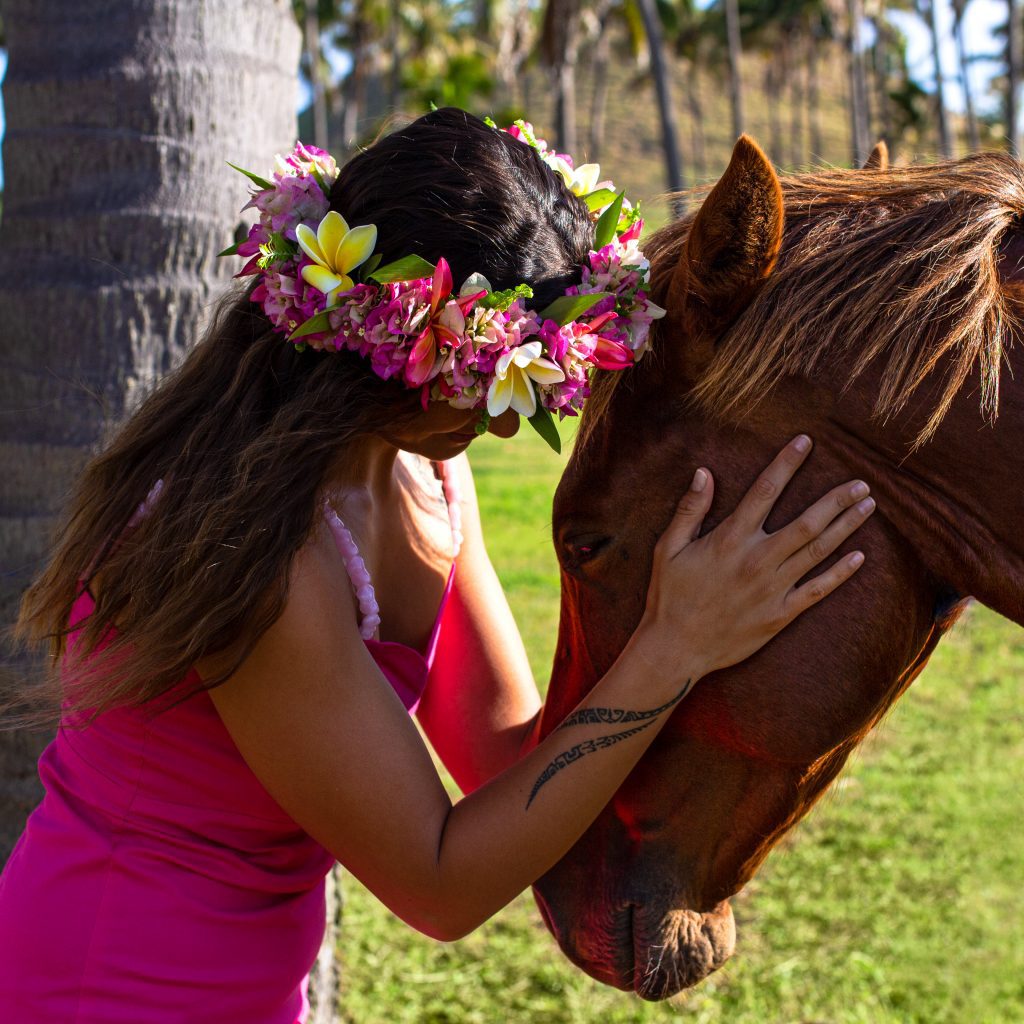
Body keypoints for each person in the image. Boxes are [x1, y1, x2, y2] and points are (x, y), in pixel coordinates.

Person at [0, 108, 875, 1023]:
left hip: (252, 986)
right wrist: (672, 647)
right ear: (401, 336)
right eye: (496, 372)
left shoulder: (432, 480)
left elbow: (510, 764)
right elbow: (439, 884)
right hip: (103, 982)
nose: (508, 417)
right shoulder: (261, 555)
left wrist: (714, 640)